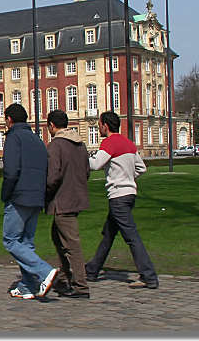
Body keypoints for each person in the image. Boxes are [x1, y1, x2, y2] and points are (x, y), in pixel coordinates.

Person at [85, 111, 159, 289]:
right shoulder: (128, 143)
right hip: (129, 193)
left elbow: (95, 164)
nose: (99, 127)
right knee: (108, 235)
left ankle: (149, 276)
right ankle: (92, 270)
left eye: (100, 124)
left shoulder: (110, 142)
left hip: (118, 195)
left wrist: (79, 158)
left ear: (105, 125)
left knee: (131, 237)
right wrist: (128, 177)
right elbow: (142, 168)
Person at [1, 103, 59, 300]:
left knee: (10, 240)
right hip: (37, 197)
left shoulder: (13, 138)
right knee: (26, 243)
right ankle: (28, 285)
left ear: (9, 119)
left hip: (19, 196)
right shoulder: (37, 139)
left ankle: (45, 271)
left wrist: (6, 194)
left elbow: (10, 172)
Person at [44, 110, 91, 299]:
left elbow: (52, 176)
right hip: (76, 197)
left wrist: (45, 192)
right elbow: (86, 170)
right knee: (57, 238)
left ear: (52, 126)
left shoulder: (56, 146)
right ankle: (64, 278)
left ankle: (81, 286)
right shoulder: (80, 144)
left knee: (71, 244)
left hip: (62, 200)